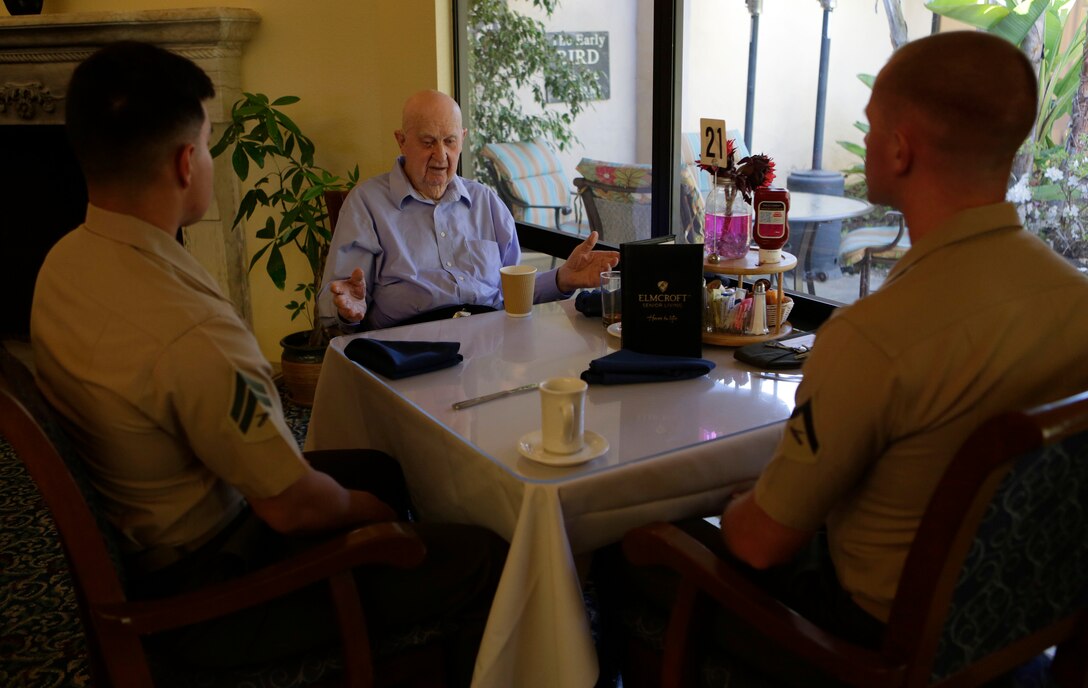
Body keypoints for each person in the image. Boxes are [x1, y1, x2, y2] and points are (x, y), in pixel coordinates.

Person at [600, 31, 1088, 683]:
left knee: (632, 551)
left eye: (871, 124)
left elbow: (759, 543)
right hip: (1015, 633)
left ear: (899, 147)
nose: (865, 138)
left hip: (864, 650)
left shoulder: (876, 337)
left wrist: (747, 504)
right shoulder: (1074, 300)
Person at [31, 41, 505, 687]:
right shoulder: (190, 328)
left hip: (147, 525)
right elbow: (291, 509)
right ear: (184, 162)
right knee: (483, 553)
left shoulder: (61, 264)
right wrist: (379, 523)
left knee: (385, 470)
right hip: (211, 589)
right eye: (207, 143)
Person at [319, 89, 619, 331]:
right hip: (408, 350)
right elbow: (339, 300)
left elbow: (509, 292)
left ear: (462, 139)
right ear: (402, 141)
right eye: (427, 142)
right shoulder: (366, 204)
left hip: (489, 346)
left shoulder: (485, 201)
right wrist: (349, 310)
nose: (441, 155)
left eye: (450, 141)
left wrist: (563, 278)